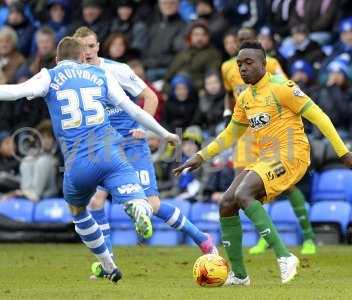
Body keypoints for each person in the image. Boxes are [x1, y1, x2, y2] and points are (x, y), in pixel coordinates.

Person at [0, 36, 180, 283]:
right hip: (111, 154)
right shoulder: (101, 75)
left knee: (79, 211)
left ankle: (109, 265)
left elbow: (13, 91)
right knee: (138, 196)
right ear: (83, 57)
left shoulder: (49, 76)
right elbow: (133, 109)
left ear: (57, 59)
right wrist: (164, 133)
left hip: (78, 162)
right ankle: (137, 207)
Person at [174, 41, 352, 285]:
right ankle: (239, 275)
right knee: (227, 203)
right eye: (239, 64)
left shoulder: (283, 88)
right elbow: (230, 134)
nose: (243, 68)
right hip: (267, 159)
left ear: (264, 64)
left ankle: (285, 256)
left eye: (249, 63)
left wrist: (343, 152)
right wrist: (200, 156)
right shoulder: (245, 98)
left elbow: (320, 116)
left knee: (244, 192)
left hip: (293, 155)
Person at [73, 27, 218, 278]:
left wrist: (142, 126)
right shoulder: (75, 77)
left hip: (131, 145)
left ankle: (202, 239)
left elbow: (150, 97)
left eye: (90, 46)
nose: (86, 52)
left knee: (152, 204)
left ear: (98, 46)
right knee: (95, 201)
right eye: (81, 47)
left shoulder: (118, 70)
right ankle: (109, 265)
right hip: (104, 148)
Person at [222, 29, 317, 256]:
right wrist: (228, 112)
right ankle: (264, 238)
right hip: (245, 134)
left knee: (286, 185)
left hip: (272, 132)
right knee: (241, 189)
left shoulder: (271, 64)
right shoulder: (228, 68)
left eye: (246, 38)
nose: (240, 41)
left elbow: (285, 87)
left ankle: (308, 236)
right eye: (238, 38)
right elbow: (229, 94)